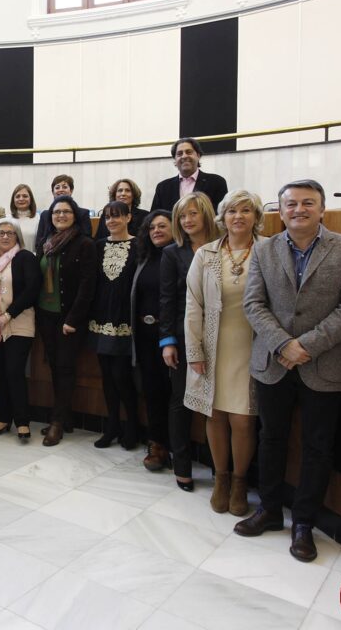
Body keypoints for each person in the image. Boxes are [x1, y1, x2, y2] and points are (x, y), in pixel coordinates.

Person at [235, 179, 341, 563]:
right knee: (271, 438)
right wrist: (284, 344)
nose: (299, 209)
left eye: (307, 203)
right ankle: (269, 510)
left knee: (317, 447)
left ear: (322, 209)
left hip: (325, 364)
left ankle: (304, 524)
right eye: (291, 204)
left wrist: (305, 346)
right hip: (273, 362)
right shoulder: (264, 249)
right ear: (281, 211)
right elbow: (253, 303)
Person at [185, 190, 266, 515]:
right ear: (223, 217)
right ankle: (221, 479)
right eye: (232, 210)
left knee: (244, 419)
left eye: (246, 210)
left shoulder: (269, 250)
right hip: (213, 345)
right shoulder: (206, 254)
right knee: (215, 415)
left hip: (254, 347)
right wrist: (194, 350)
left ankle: (240, 481)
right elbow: (193, 304)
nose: (238, 216)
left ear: (256, 217)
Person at [160, 192, 221, 491]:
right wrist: (168, 341)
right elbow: (167, 299)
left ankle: (220, 467)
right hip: (184, 335)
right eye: (182, 216)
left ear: (206, 214)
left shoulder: (224, 246)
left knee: (219, 404)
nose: (187, 220)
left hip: (222, 334)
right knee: (180, 401)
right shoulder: (172, 253)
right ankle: (182, 466)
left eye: (193, 213)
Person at [36, 195, 96, 446]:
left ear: (75, 216)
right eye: (56, 212)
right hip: (46, 315)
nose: (60, 216)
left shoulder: (84, 244)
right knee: (54, 367)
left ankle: (57, 422)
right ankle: (65, 416)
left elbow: (87, 286)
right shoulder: (46, 242)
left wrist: (73, 319)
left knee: (65, 367)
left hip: (69, 318)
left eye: (66, 212)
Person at [0, 217, 40, 441]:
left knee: (14, 372)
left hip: (18, 323)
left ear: (17, 236)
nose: (5, 236)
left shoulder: (25, 257)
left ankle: (22, 422)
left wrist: (8, 314)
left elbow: (32, 290)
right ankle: (3, 418)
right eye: (0, 233)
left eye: (10, 233)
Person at [89, 201, 139, 450]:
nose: (111, 221)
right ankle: (112, 426)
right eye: (107, 217)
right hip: (101, 317)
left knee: (122, 376)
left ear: (128, 217)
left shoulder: (139, 245)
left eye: (117, 216)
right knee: (107, 376)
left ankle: (133, 426)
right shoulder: (98, 246)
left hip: (126, 319)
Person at [131, 210, 174, 471]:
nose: (156, 231)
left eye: (162, 226)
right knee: (151, 390)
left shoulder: (180, 256)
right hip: (145, 336)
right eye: (152, 227)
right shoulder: (144, 258)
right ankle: (156, 443)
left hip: (172, 337)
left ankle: (174, 445)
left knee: (173, 394)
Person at [151, 137, 228, 212]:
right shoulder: (163, 188)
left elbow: (222, 215)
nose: (184, 156)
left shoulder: (216, 182)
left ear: (198, 156)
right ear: (175, 160)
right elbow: (154, 217)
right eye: (179, 154)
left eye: (189, 152)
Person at [33, 174, 91, 254]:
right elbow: (39, 242)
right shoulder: (45, 215)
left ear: (71, 191)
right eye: (57, 187)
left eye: (64, 187)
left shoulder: (82, 213)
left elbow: (86, 241)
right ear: (53, 192)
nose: (61, 190)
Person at [9, 184, 40, 252]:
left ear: (31, 199)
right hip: (10, 258)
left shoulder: (39, 218)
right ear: (13, 200)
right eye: (18, 196)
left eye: (25, 196)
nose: (21, 199)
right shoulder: (7, 219)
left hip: (32, 257)